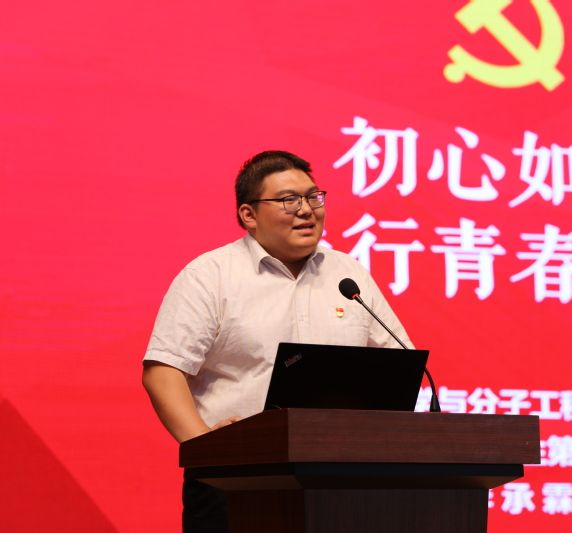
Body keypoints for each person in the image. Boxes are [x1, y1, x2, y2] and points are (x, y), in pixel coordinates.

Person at [142, 150, 413, 533]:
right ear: (248, 215)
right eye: (288, 200)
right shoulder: (210, 276)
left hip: (340, 478)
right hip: (235, 477)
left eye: (313, 197)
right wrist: (205, 449)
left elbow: (399, 363)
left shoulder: (348, 274)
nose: (306, 210)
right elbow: (163, 371)